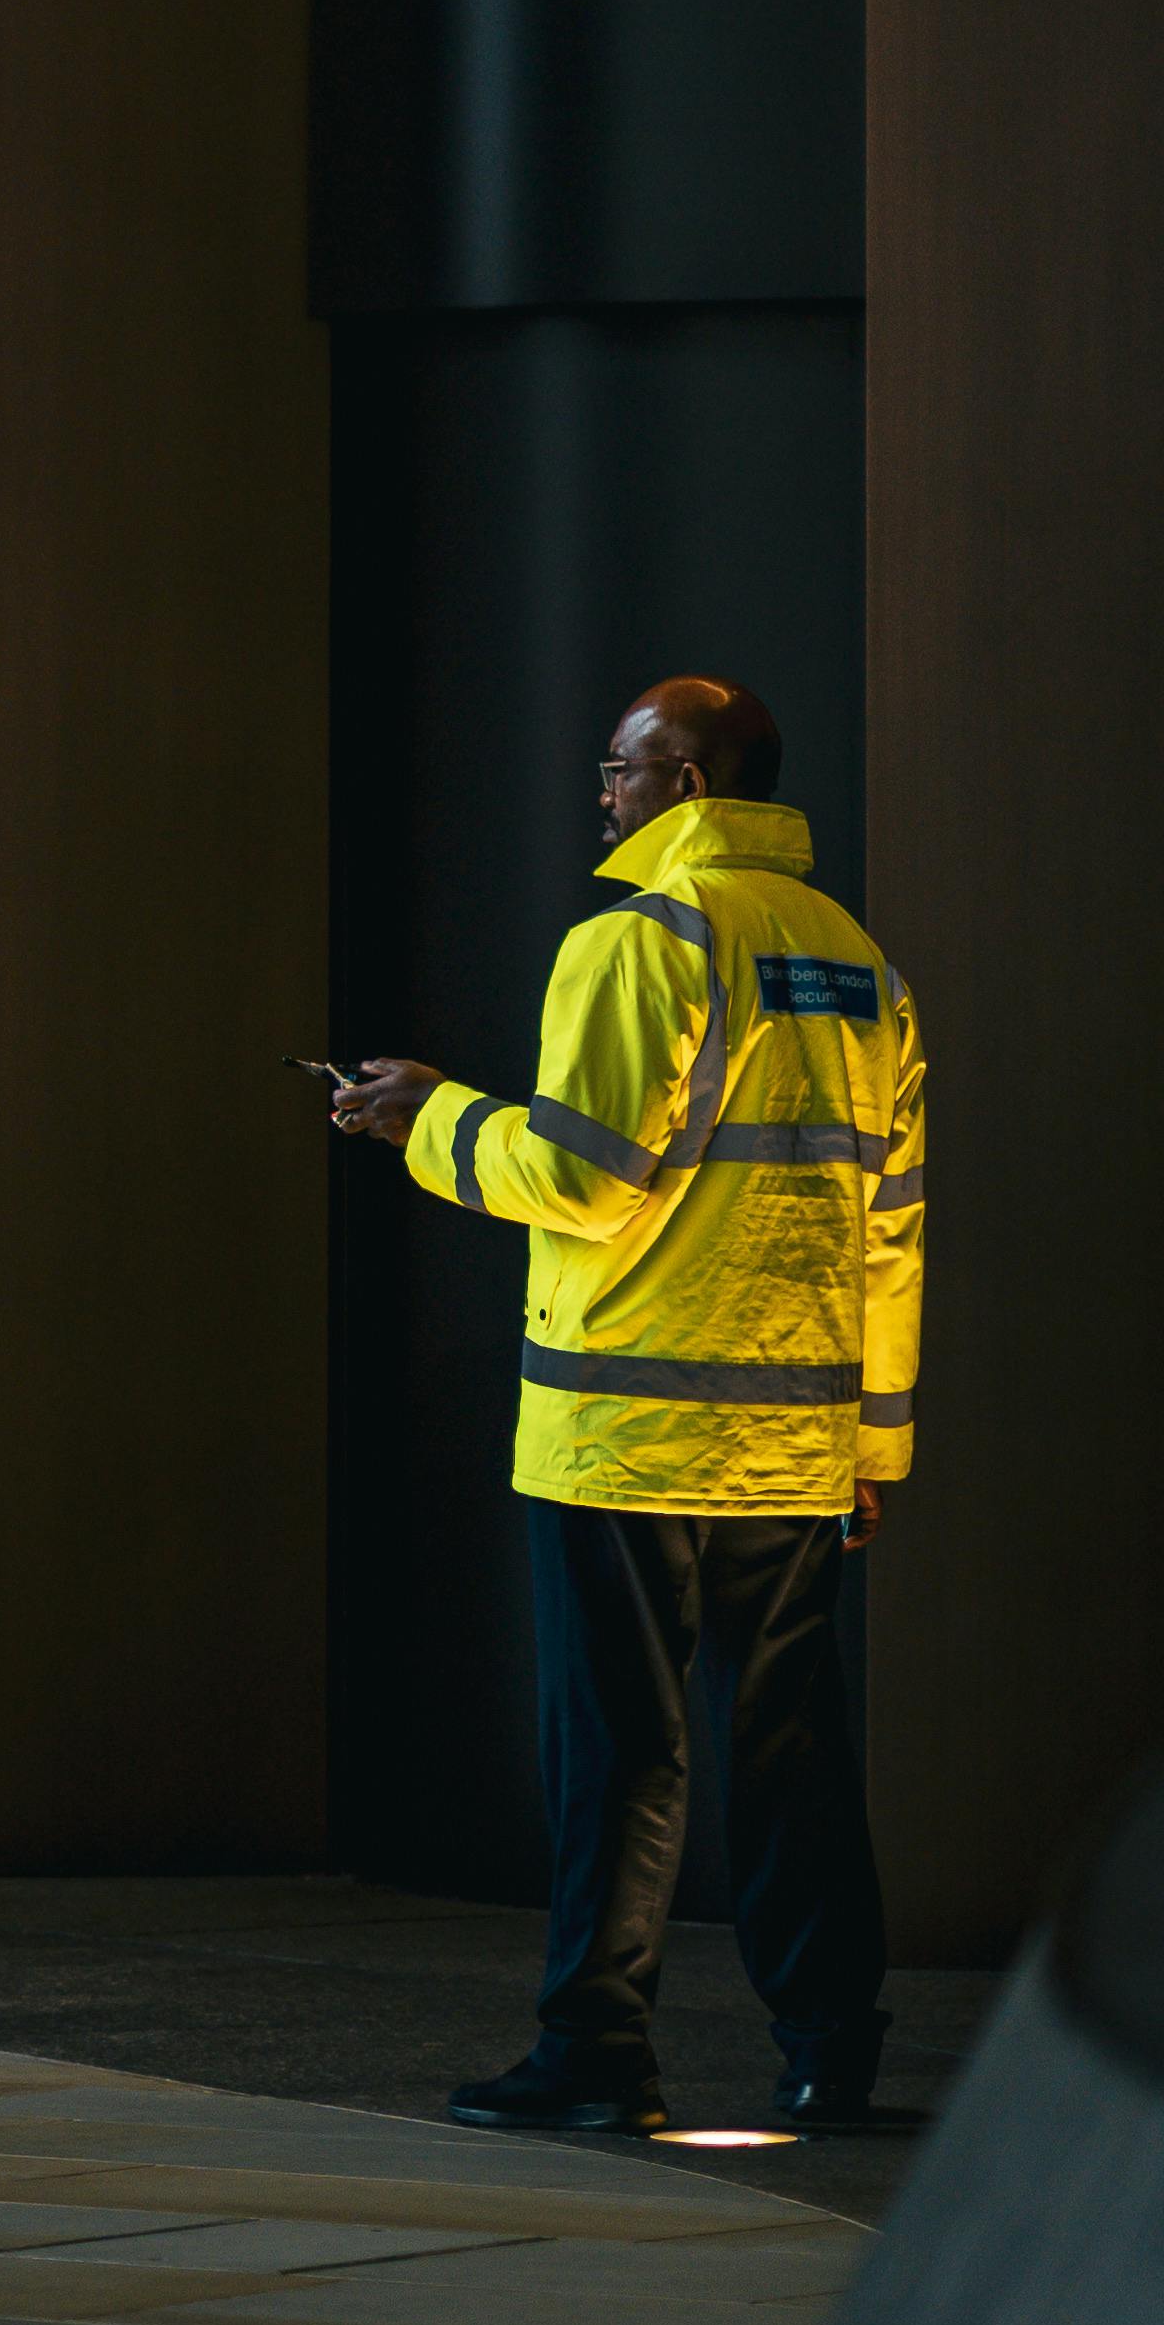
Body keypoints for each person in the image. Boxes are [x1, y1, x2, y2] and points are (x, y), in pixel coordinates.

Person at [326, 676, 917, 2138]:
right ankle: (832, 2050)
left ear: (694, 783)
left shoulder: (640, 937)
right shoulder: (856, 963)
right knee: (792, 1758)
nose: (605, 792)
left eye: (626, 767)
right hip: (793, 1439)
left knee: (618, 1755)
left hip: (626, 1435)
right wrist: (875, 1446)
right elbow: (891, 1223)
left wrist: (431, 1120)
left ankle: (595, 2059)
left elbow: (585, 1177)